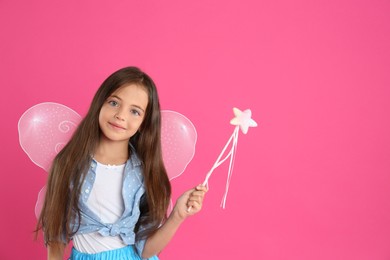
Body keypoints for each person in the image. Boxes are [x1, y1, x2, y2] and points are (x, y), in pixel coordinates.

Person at [36, 66, 207, 259]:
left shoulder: (144, 173)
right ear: (100, 103)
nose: (121, 115)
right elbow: (56, 237)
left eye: (135, 111)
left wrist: (178, 215)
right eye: (114, 103)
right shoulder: (68, 164)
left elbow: (147, 251)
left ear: (144, 122)